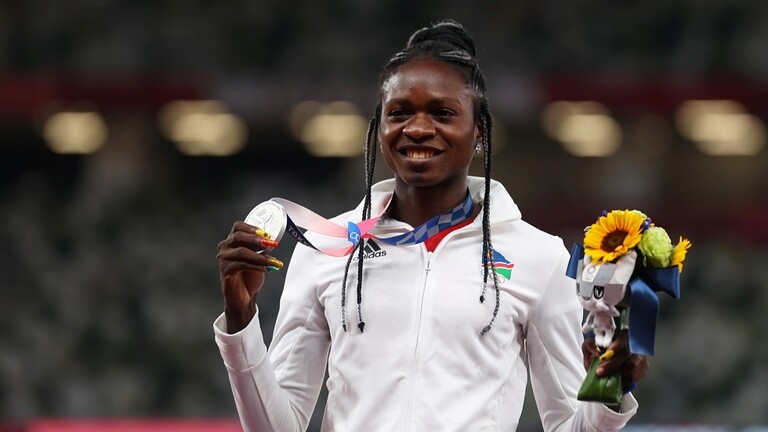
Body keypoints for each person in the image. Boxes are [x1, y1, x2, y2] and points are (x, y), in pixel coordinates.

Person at [214, 19, 648, 431]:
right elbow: (276, 426)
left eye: (442, 113)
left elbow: (568, 424)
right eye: (399, 112)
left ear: (479, 131)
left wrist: (609, 388)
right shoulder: (326, 247)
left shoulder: (538, 256)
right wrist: (241, 317)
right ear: (379, 128)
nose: (418, 128)